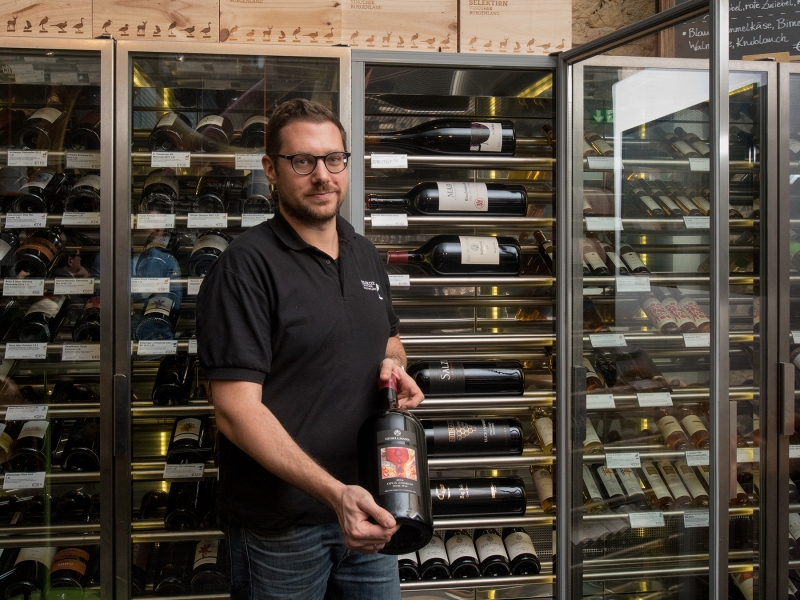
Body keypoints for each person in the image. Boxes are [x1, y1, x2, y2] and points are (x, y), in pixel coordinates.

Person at [196, 98, 424, 600]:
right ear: (271, 171)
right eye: (303, 161)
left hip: (370, 511)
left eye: (333, 159)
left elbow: (388, 339)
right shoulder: (245, 267)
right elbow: (235, 411)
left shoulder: (362, 252)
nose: (322, 175)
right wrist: (334, 494)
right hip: (282, 526)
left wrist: (395, 367)